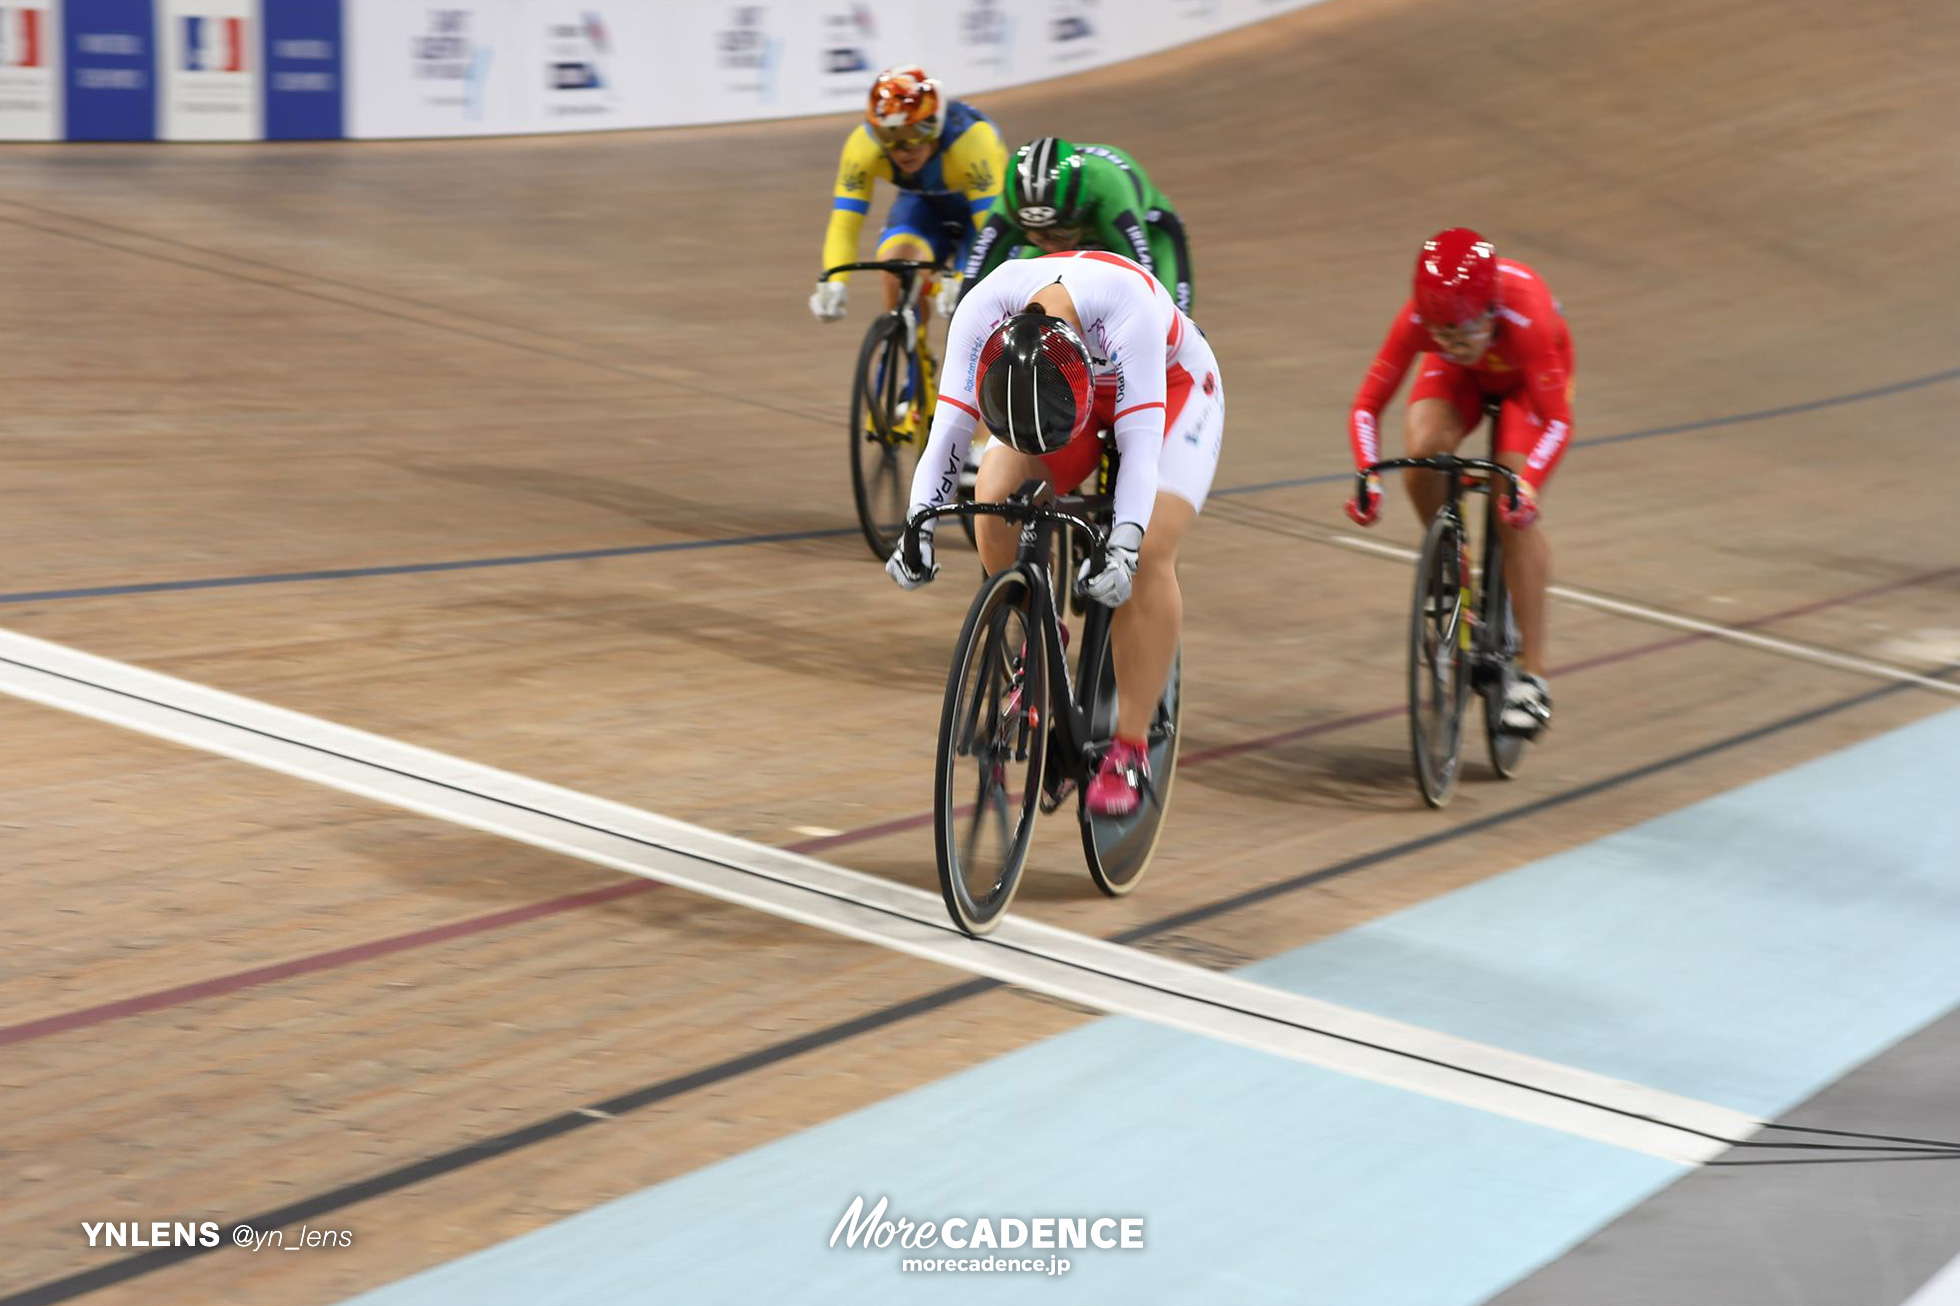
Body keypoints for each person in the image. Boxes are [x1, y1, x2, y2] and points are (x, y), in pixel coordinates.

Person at [888, 251, 1224, 816]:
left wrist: (1124, 544)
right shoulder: (982, 307)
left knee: (1148, 552)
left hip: (1172, 391)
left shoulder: (1128, 309)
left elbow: (1141, 448)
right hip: (1055, 393)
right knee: (992, 495)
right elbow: (948, 429)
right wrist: (917, 522)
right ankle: (1039, 634)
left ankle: (1130, 748)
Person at [1343, 228, 1573, 736]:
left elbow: (1558, 421)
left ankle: (1533, 679)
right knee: (1424, 454)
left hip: (1527, 387)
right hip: (1463, 381)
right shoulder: (1427, 324)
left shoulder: (1526, 316)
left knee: (1509, 501)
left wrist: (1529, 483)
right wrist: (1369, 477)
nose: (1451, 343)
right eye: (1440, 334)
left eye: (1462, 333)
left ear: (1490, 311)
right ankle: (1454, 564)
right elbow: (1367, 405)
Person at [808, 66, 1006, 329]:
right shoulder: (862, 148)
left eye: (913, 134)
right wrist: (834, 283)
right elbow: (845, 224)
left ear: (933, 126)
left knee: (973, 305)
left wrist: (964, 278)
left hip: (977, 214)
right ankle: (913, 358)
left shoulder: (973, 142)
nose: (901, 150)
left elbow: (992, 228)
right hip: (922, 204)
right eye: (888, 136)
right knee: (894, 270)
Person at [953, 138, 1194, 314]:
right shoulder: (1004, 212)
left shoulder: (1110, 194)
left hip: (1152, 235)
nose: (1049, 243)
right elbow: (969, 296)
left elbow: (1143, 283)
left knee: (1168, 324)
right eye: (1037, 236)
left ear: (1081, 211)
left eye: (1058, 233)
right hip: (1084, 227)